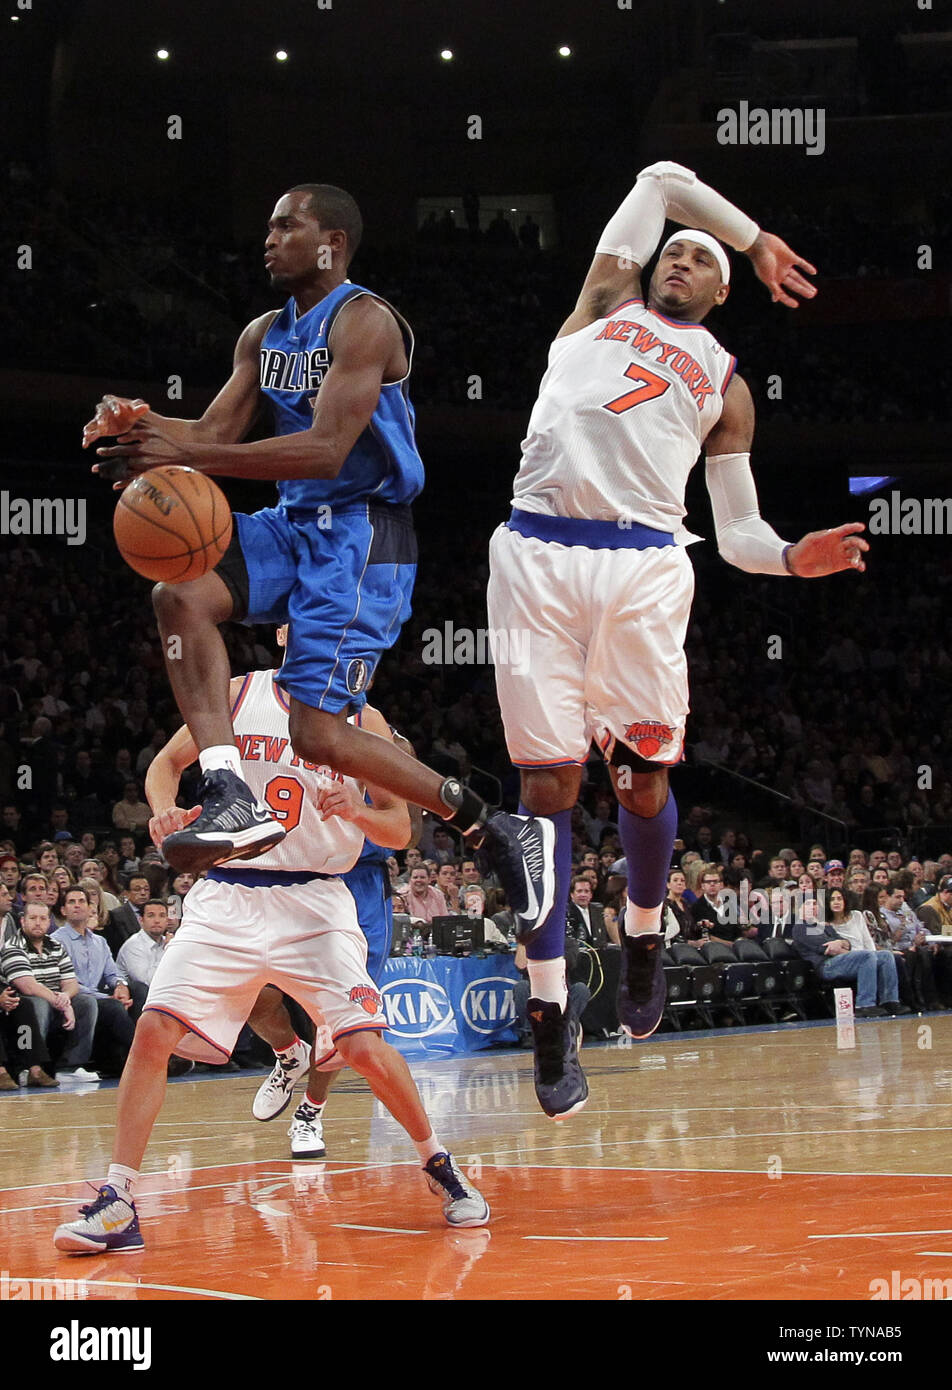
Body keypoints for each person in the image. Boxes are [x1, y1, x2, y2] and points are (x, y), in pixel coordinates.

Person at [485, 158, 868, 1116]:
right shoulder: (600, 304)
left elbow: (736, 532)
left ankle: (645, 932)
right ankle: (548, 1013)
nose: (682, 262)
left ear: (721, 294)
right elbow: (661, 177)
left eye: (701, 260)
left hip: (647, 565)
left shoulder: (727, 385)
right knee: (544, 789)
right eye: (678, 251)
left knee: (643, 777)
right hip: (533, 552)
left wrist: (789, 558)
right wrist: (750, 234)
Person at [84, 184, 550, 939]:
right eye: (267, 224)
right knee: (180, 594)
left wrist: (187, 452)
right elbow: (208, 429)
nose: (267, 237)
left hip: (363, 537)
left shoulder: (366, 322)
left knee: (318, 736)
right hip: (294, 522)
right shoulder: (264, 333)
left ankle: (492, 826)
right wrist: (138, 424)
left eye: (285, 225)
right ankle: (232, 789)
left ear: (331, 241)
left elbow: (329, 449)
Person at [54, 654, 488, 1255]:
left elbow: (399, 831)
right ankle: (119, 1198)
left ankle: (438, 1163)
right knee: (152, 1029)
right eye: (295, 620)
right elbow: (163, 766)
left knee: (362, 1045)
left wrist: (355, 810)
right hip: (228, 893)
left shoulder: (365, 719)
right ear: (285, 633)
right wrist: (164, 812)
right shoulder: (234, 694)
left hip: (316, 901)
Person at [0, 901, 98, 1079]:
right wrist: (61, 1003)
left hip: (55, 1000)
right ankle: (28, 1067)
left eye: (43, 918)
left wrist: (66, 997)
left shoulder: (55, 945)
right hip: (23, 1004)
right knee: (38, 1004)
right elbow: (27, 986)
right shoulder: (13, 946)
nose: (38, 923)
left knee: (86, 1002)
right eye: (33, 918)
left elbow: (71, 982)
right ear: (23, 921)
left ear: (49, 921)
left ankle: (69, 1068)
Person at [52, 887, 134, 1076]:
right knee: (111, 1007)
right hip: (71, 997)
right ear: (63, 910)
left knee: (135, 993)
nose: (77, 905)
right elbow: (63, 980)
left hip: (98, 997)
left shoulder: (100, 942)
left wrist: (121, 987)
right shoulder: (56, 941)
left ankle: (120, 1062)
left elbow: (113, 974)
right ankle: (147, 1057)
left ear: (90, 908)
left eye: (82, 901)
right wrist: (107, 997)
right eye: (71, 902)